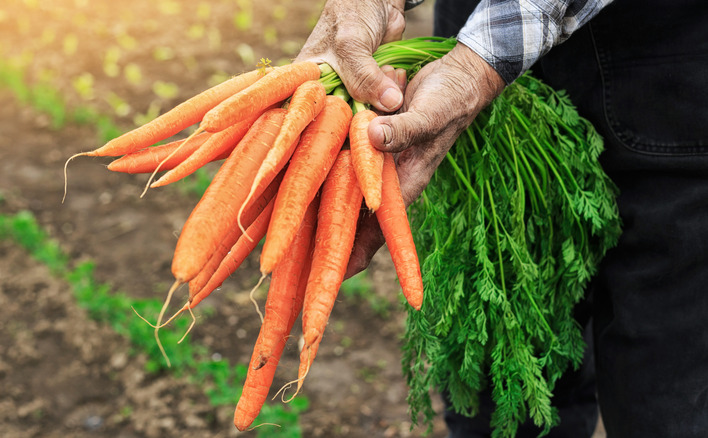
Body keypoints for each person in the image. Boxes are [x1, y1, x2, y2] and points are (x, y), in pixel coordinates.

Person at [295, 0, 708, 437]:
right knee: (499, 385)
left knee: (666, 392)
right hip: (478, 25)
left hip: (657, 57)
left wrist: (477, 65)